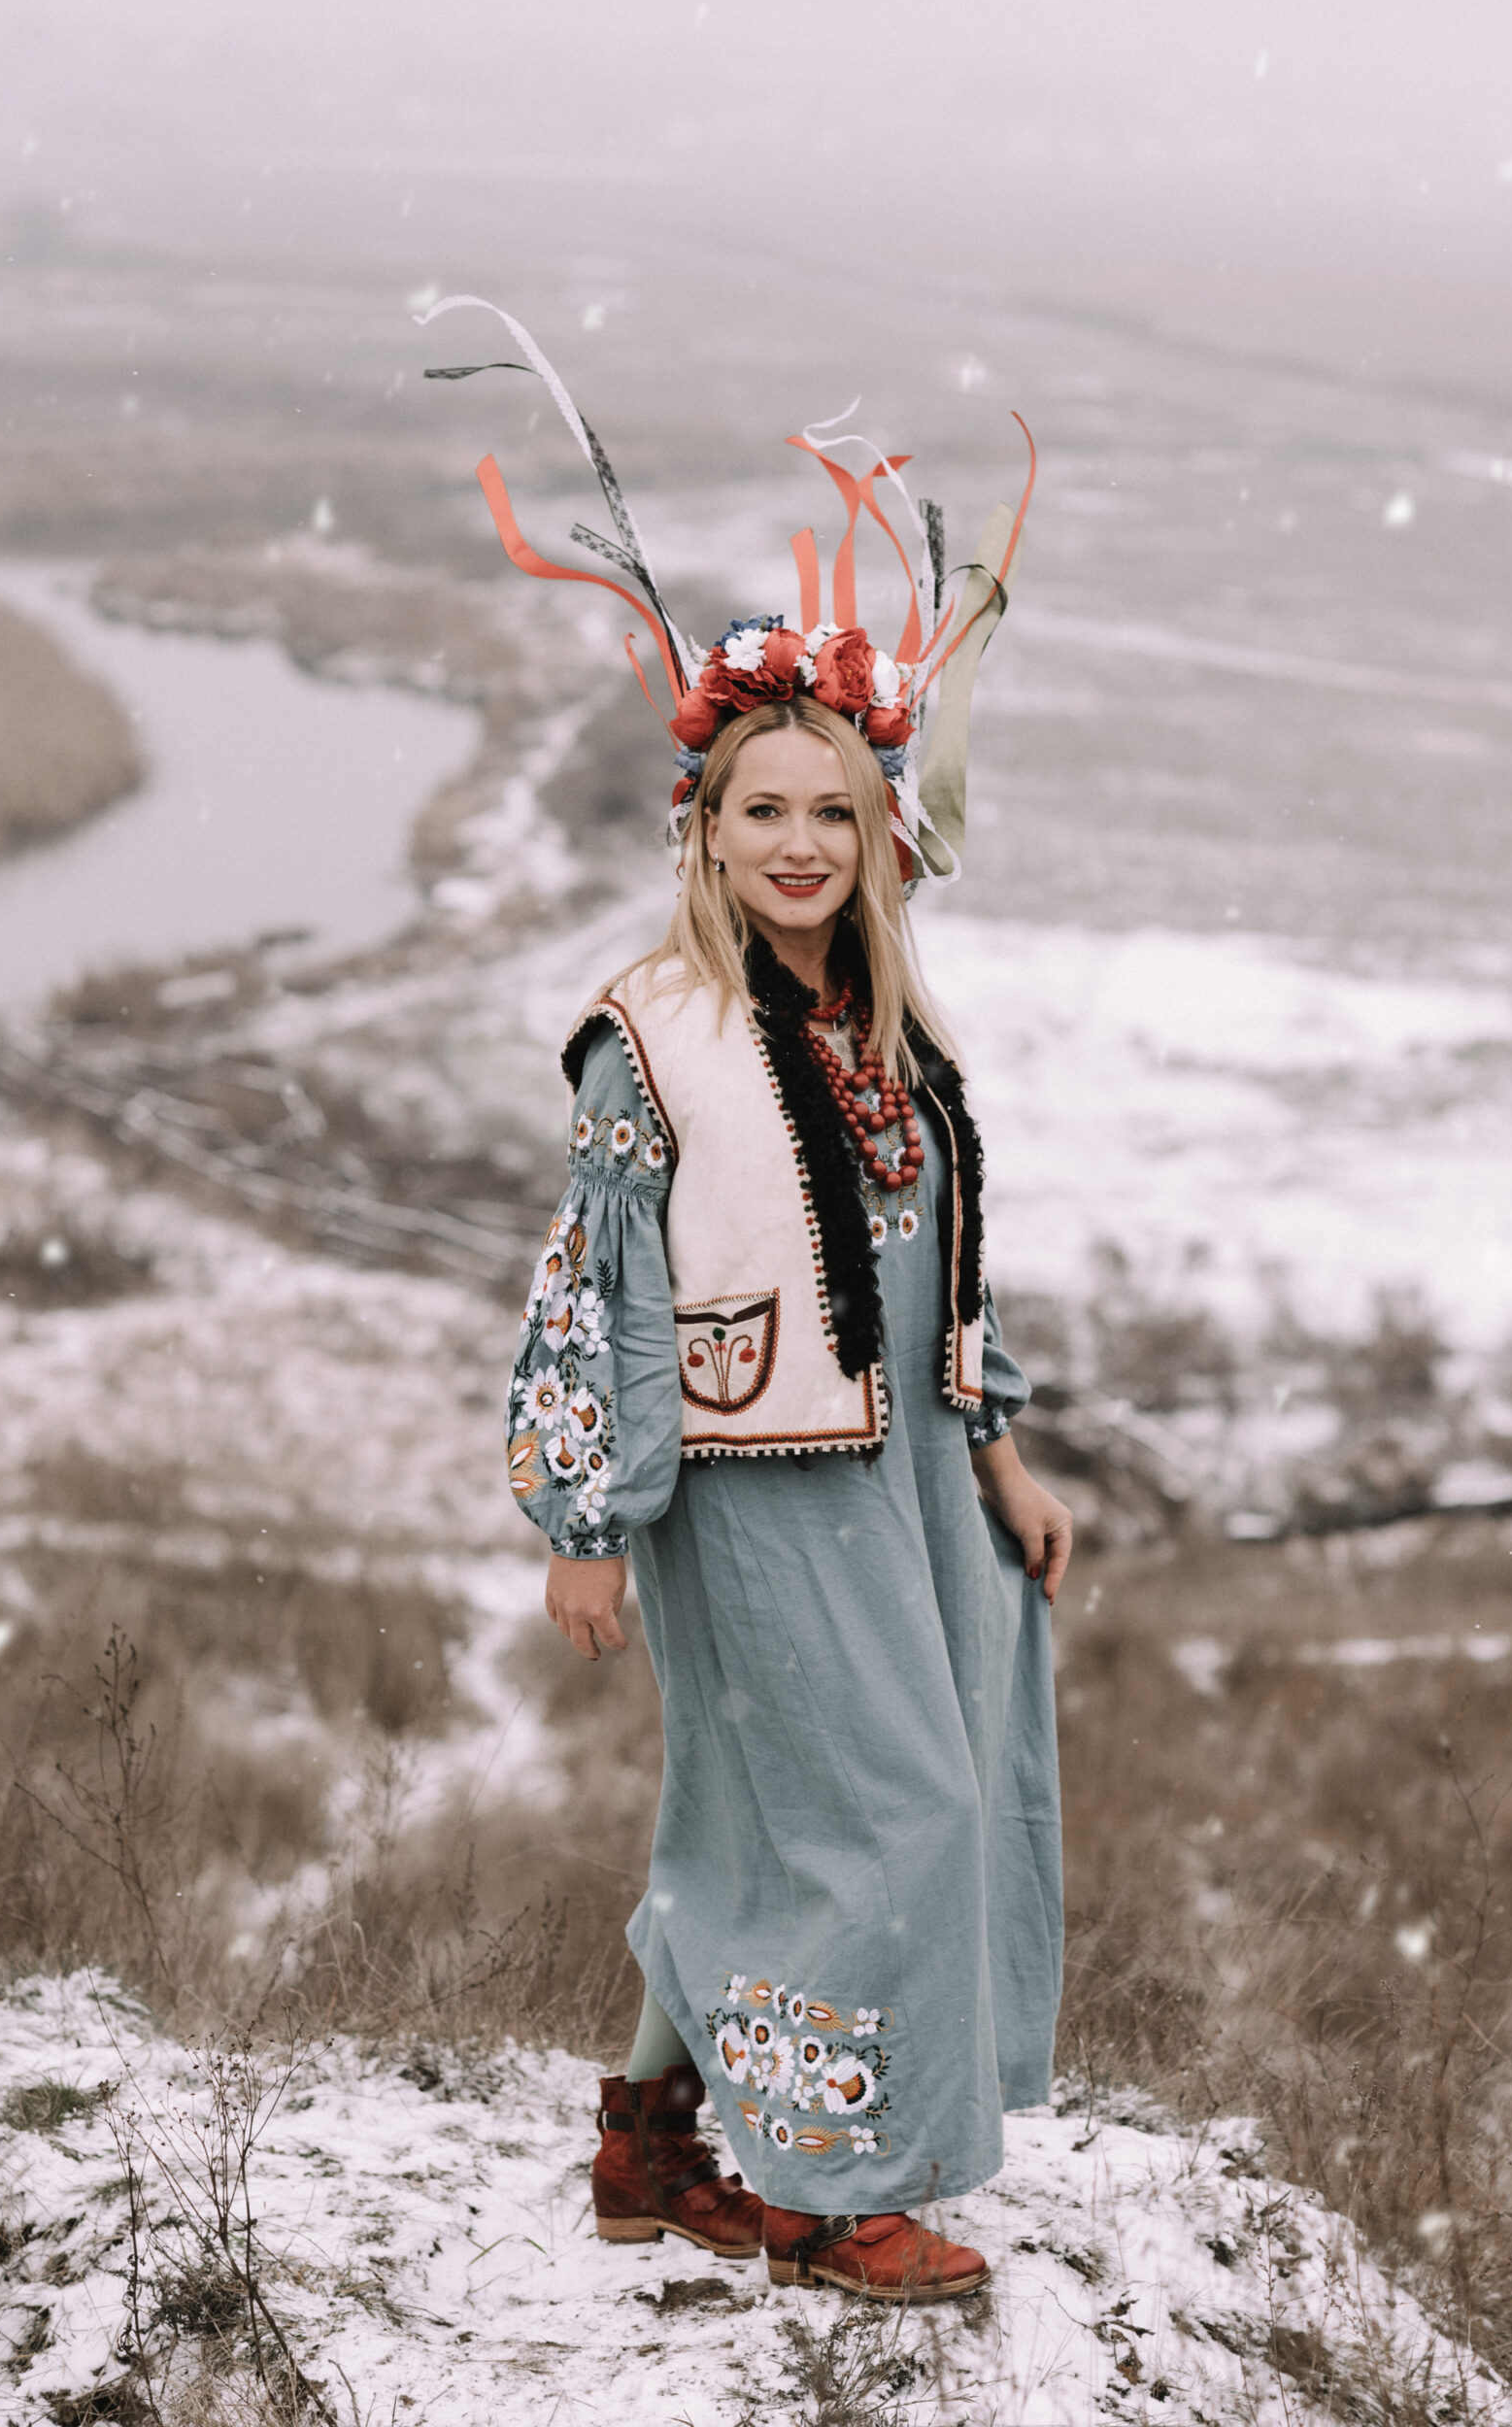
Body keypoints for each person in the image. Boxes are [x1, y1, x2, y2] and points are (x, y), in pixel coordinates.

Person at [426, 298, 1071, 2301]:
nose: (799, 842)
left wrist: (1003, 1452)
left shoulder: (887, 1016)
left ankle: (646, 2140)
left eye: (833, 812)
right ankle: (816, 2181)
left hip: (912, 1476)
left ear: (879, 834)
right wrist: (586, 1522)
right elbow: (591, 1284)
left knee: (771, 1814)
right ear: (702, 828)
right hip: (751, 1482)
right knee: (888, 1814)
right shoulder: (652, 1033)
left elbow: (935, 1257)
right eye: (760, 809)